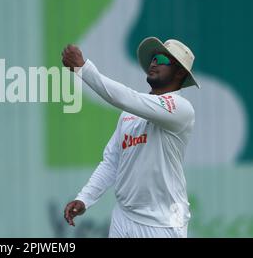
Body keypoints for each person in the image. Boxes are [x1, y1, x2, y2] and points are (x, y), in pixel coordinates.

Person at [62, 37, 200, 238]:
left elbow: (126, 98)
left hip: (163, 223)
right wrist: (85, 198)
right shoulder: (129, 114)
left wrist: (83, 69)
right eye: (153, 58)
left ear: (180, 72)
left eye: (161, 59)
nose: (153, 62)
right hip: (124, 217)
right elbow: (112, 162)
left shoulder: (181, 109)